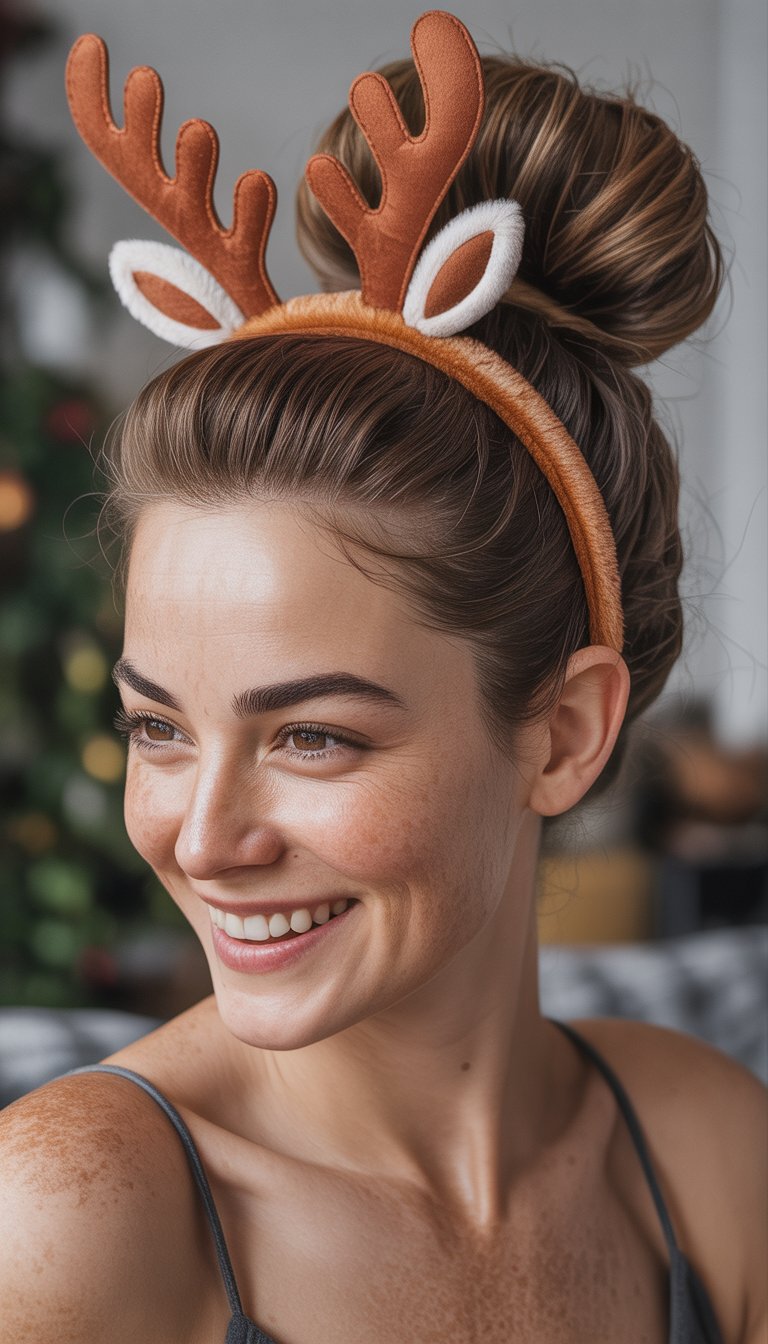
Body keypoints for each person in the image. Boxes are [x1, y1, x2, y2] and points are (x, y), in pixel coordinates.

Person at [1, 11, 766, 1344]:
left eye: (311, 738)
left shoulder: (710, 1158)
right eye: (158, 728)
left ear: (564, 733)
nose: (202, 839)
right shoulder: (75, 1217)